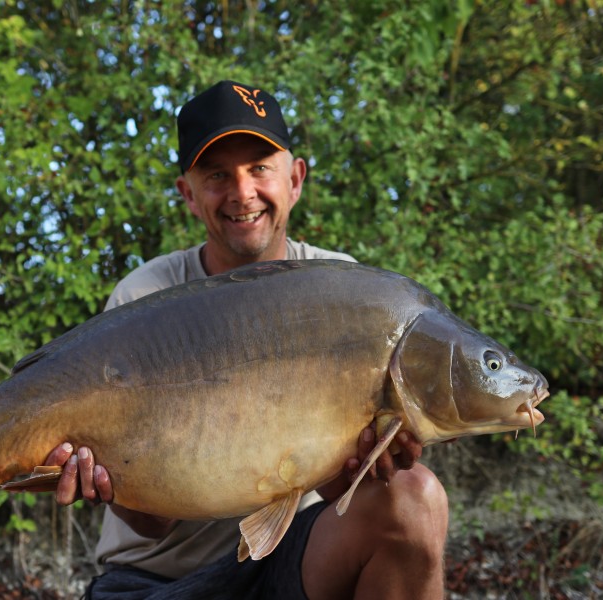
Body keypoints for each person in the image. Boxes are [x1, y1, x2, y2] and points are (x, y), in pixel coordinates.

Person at [42, 80, 449, 599]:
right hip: (153, 583)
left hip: (293, 567)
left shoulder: (348, 292)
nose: (242, 192)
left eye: (259, 168)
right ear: (188, 194)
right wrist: (107, 477)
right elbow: (151, 526)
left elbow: (341, 494)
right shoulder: (145, 297)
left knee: (414, 497)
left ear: (295, 178)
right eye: (217, 175)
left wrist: (375, 461)